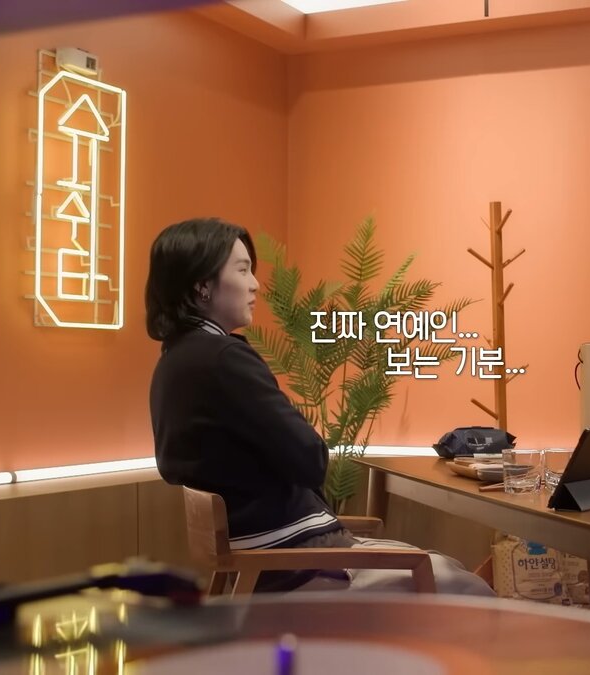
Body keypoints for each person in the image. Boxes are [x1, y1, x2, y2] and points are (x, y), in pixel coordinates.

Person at [146, 217, 493, 596]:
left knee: (447, 567)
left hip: (266, 564)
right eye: (243, 270)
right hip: (299, 567)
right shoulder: (224, 358)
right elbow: (310, 458)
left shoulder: (174, 361)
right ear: (202, 285)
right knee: (467, 586)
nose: (255, 284)